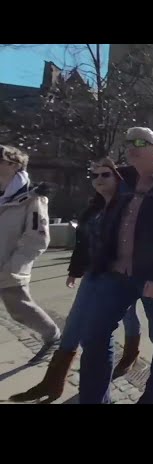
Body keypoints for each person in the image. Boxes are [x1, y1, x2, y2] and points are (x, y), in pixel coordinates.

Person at [78, 127, 153, 404]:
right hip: (116, 274)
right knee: (95, 333)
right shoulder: (121, 179)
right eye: (129, 141)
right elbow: (97, 211)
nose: (132, 146)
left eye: (141, 142)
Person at [10, 158, 141, 403]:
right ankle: (53, 382)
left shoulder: (127, 206)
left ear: (118, 179)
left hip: (117, 276)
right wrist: (74, 270)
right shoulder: (94, 208)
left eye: (106, 175)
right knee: (73, 327)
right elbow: (82, 243)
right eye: (95, 176)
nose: (99, 180)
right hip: (93, 274)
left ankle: (121, 365)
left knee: (105, 331)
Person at [0, 145, 61, 363]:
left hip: (10, 268)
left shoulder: (33, 198)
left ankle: (53, 337)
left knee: (19, 308)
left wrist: (14, 267)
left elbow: (38, 239)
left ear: (13, 165)